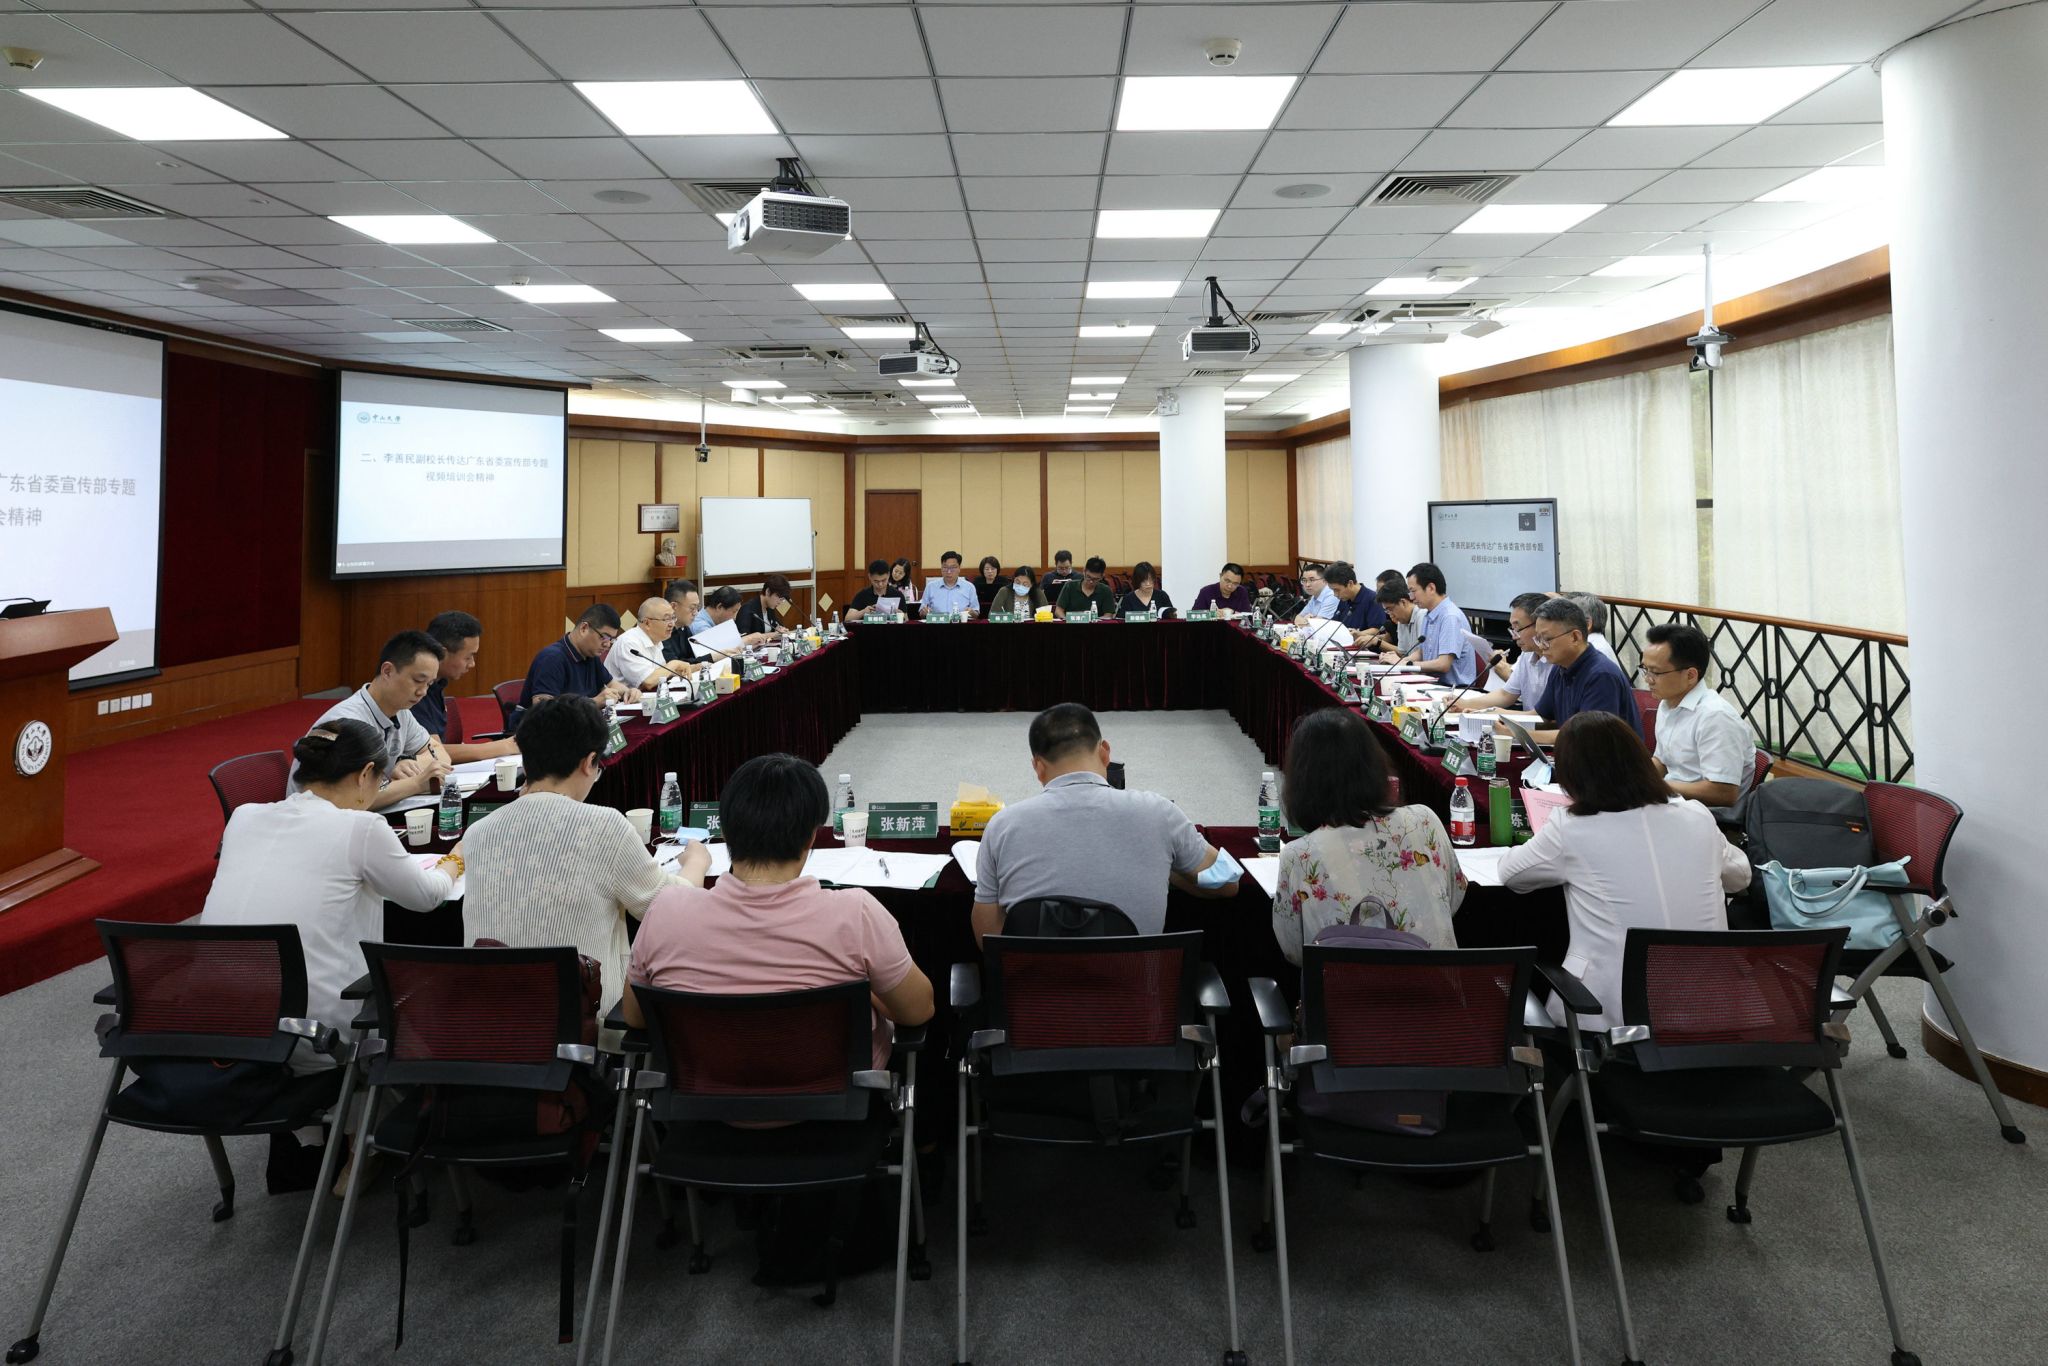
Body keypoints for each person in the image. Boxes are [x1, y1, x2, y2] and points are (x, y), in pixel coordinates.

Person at [204, 720, 462, 1189]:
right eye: (381, 782)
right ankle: (371, 1138)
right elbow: (426, 897)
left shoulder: (243, 816)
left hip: (222, 1028)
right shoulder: (361, 827)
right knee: (426, 987)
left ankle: (336, 1137)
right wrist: (457, 858)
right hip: (313, 1035)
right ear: (365, 775)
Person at [622, 754, 934, 1072]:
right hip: (838, 1098)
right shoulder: (857, 913)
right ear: (811, 837)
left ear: (725, 832)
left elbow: (635, 1017)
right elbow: (918, 1010)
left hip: (696, 1097)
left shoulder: (665, 911)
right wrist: (864, 992)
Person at [1498, 712, 1750, 1030]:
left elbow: (1511, 874)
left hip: (1613, 1022)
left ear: (1572, 775)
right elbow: (1741, 876)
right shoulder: (1696, 816)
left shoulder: (1572, 828)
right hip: (1710, 1016)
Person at [463, 696, 709, 1015]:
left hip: (491, 1020)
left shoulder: (479, 832)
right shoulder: (605, 825)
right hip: (582, 1020)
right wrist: (696, 862)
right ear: (588, 762)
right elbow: (672, 909)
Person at [972, 704, 1228, 943]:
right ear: (1105, 752)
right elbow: (1227, 882)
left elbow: (988, 937)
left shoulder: (1002, 826)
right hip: (1133, 978)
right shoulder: (1160, 812)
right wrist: (1168, 865)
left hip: (1034, 978)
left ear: (1038, 767)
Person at [1270, 708, 1466, 964]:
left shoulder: (1299, 855)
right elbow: (1454, 898)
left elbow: (1295, 951)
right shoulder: (1425, 820)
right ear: (1374, 765)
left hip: (1344, 990)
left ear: (1303, 781)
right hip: (1438, 986)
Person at [290, 630, 452, 809]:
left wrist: (411, 764)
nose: (423, 692)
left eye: (429, 684)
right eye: (418, 680)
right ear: (387, 671)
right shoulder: (346, 722)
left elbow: (439, 753)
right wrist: (416, 783)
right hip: (315, 817)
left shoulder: (401, 712)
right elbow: (349, 797)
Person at [1642, 622, 1757, 807]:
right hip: (1673, 799)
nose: (1648, 679)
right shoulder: (1667, 703)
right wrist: (1636, 779)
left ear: (1690, 675)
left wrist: (1656, 787)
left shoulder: (1715, 717)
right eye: (1645, 669)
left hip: (1706, 812)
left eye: (1655, 672)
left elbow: (1723, 793)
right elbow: (1662, 760)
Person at [1527, 596, 1641, 743]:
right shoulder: (1559, 667)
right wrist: (1501, 718)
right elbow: (1541, 715)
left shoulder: (1601, 675)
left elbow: (1586, 737)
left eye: (1546, 639)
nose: (1541, 646)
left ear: (1575, 637)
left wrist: (1517, 734)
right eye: (1538, 639)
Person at [413, 610, 519, 762]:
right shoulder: (415, 691)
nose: (472, 664)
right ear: (442, 653)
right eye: (468, 657)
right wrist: (504, 746)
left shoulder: (437, 683)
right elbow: (432, 752)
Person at [519, 605, 636, 724]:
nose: (607, 644)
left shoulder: (591, 655)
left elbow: (612, 684)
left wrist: (629, 692)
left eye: (611, 639)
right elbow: (543, 711)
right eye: (604, 637)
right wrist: (594, 702)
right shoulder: (551, 658)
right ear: (584, 628)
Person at [1452, 592, 1554, 712]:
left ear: (1539, 625)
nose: (1514, 637)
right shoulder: (1527, 655)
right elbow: (1505, 694)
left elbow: (1548, 717)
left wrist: (1497, 713)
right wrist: (1464, 703)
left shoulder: (1557, 660)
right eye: (1513, 629)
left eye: (1518, 628)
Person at [1391, 562, 1476, 686]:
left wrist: (1408, 665)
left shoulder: (1450, 617)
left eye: (1413, 591)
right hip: (1433, 684)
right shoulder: (1429, 614)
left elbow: (1443, 664)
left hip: (1453, 689)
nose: (1411, 598)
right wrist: (1401, 662)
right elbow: (1422, 652)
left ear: (1431, 588)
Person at [608, 596, 702, 691]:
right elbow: (648, 681)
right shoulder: (629, 642)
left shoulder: (655, 639)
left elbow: (660, 674)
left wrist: (694, 667)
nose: (672, 624)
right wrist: (674, 664)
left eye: (673, 618)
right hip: (621, 699)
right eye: (666, 619)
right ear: (647, 623)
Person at [693, 585, 773, 652]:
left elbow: (732, 645)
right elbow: (717, 651)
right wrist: (749, 639)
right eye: (734, 611)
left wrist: (750, 645)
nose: (735, 617)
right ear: (719, 607)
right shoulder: (700, 625)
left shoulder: (721, 621)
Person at [1562, 591, 1621, 665]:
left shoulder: (1592, 652)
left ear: (1587, 624)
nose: (1561, 626)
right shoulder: (1596, 645)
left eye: (1566, 620)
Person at [1054, 555, 1118, 620]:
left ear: (1102, 576)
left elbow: (1108, 615)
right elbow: (1058, 611)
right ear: (1084, 571)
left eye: (1095, 579)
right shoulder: (1070, 586)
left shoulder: (1106, 590)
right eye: (1088, 577)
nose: (1091, 581)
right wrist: (1066, 620)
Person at [921, 550, 980, 616]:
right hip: (937, 622)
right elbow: (922, 612)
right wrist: (924, 612)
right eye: (945, 567)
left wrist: (972, 612)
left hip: (961, 622)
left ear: (959, 568)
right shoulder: (931, 586)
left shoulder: (969, 587)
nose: (949, 571)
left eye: (953, 567)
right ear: (941, 568)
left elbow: (976, 613)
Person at [735, 573, 791, 638]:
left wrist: (780, 629)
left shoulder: (770, 607)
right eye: (779, 598)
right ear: (768, 591)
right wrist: (772, 634)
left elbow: (776, 626)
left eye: (782, 599)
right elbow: (743, 637)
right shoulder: (747, 609)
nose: (780, 602)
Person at [1324, 562, 1374, 633]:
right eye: (1333, 590)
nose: (1335, 595)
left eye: (1337, 590)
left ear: (1350, 583)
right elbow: (1335, 623)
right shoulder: (1344, 598)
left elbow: (1376, 630)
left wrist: (1357, 634)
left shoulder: (1372, 599)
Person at [659, 579, 702, 663]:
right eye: (692, 608)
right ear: (673, 606)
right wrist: (711, 658)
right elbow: (674, 665)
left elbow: (695, 657)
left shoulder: (685, 628)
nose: (696, 613)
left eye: (697, 607)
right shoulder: (661, 631)